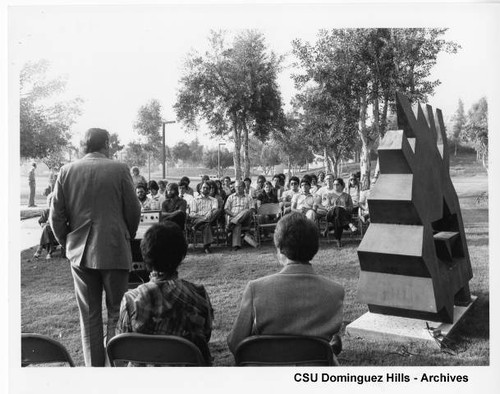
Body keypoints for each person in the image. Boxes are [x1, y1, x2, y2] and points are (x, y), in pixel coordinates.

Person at [49, 128, 141, 367]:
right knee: (116, 312)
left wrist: (67, 243)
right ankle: (115, 366)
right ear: (107, 144)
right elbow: (133, 210)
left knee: (88, 316)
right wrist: (125, 235)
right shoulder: (119, 168)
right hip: (113, 247)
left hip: (79, 252)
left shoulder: (66, 170)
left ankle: (94, 372)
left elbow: (55, 216)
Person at [227, 212, 344, 363]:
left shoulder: (256, 288)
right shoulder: (336, 291)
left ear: (279, 248)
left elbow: (235, 343)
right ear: (315, 248)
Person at [117, 222, 213, 365]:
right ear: (181, 256)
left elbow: (123, 347)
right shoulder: (198, 293)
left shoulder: (131, 299)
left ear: (145, 255)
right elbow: (206, 335)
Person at [317, 177, 356, 248]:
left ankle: (337, 238)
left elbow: (351, 208)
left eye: (337, 184)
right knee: (337, 209)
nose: (335, 186)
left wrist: (345, 208)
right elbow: (327, 207)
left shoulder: (347, 196)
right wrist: (333, 208)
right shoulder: (330, 195)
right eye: (334, 184)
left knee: (337, 218)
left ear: (342, 185)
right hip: (331, 215)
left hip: (340, 216)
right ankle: (348, 223)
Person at [224, 180, 256, 251]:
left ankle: (231, 224)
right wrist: (234, 215)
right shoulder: (230, 197)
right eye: (236, 187)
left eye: (240, 187)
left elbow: (252, 209)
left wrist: (242, 214)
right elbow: (226, 209)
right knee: (237, 224)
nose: (238, 188)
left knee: (247, 210)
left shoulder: (249, 197)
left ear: (244, 187)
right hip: (233, 217)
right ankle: (236, 245)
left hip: (246, 219)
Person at [189, 182, 219, 254]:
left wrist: (210, 212)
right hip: (198, 220)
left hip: (210, 219)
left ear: (209, 190)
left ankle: (201, 223)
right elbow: (192, 214)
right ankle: (206, 247)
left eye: (207, 188)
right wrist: (203, 217)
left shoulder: (214, 200)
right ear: (200, 189)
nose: (205, 189)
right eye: (204, 188)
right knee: (207, 224)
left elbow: (215, 209)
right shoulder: (195, 200)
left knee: (217, 211)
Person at [33, 193, 61, 259]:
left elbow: (62, 223)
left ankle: (40, 248)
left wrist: (51, 225)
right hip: (48, 233)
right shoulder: (46, 211)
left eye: (53, 201)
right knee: (46, 229)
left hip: (58, 233)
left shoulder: (59, 211)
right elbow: (41, 222)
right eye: (50, 201)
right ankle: (49, 253)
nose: (51, 203)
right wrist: (46, 224)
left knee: (47, 229)